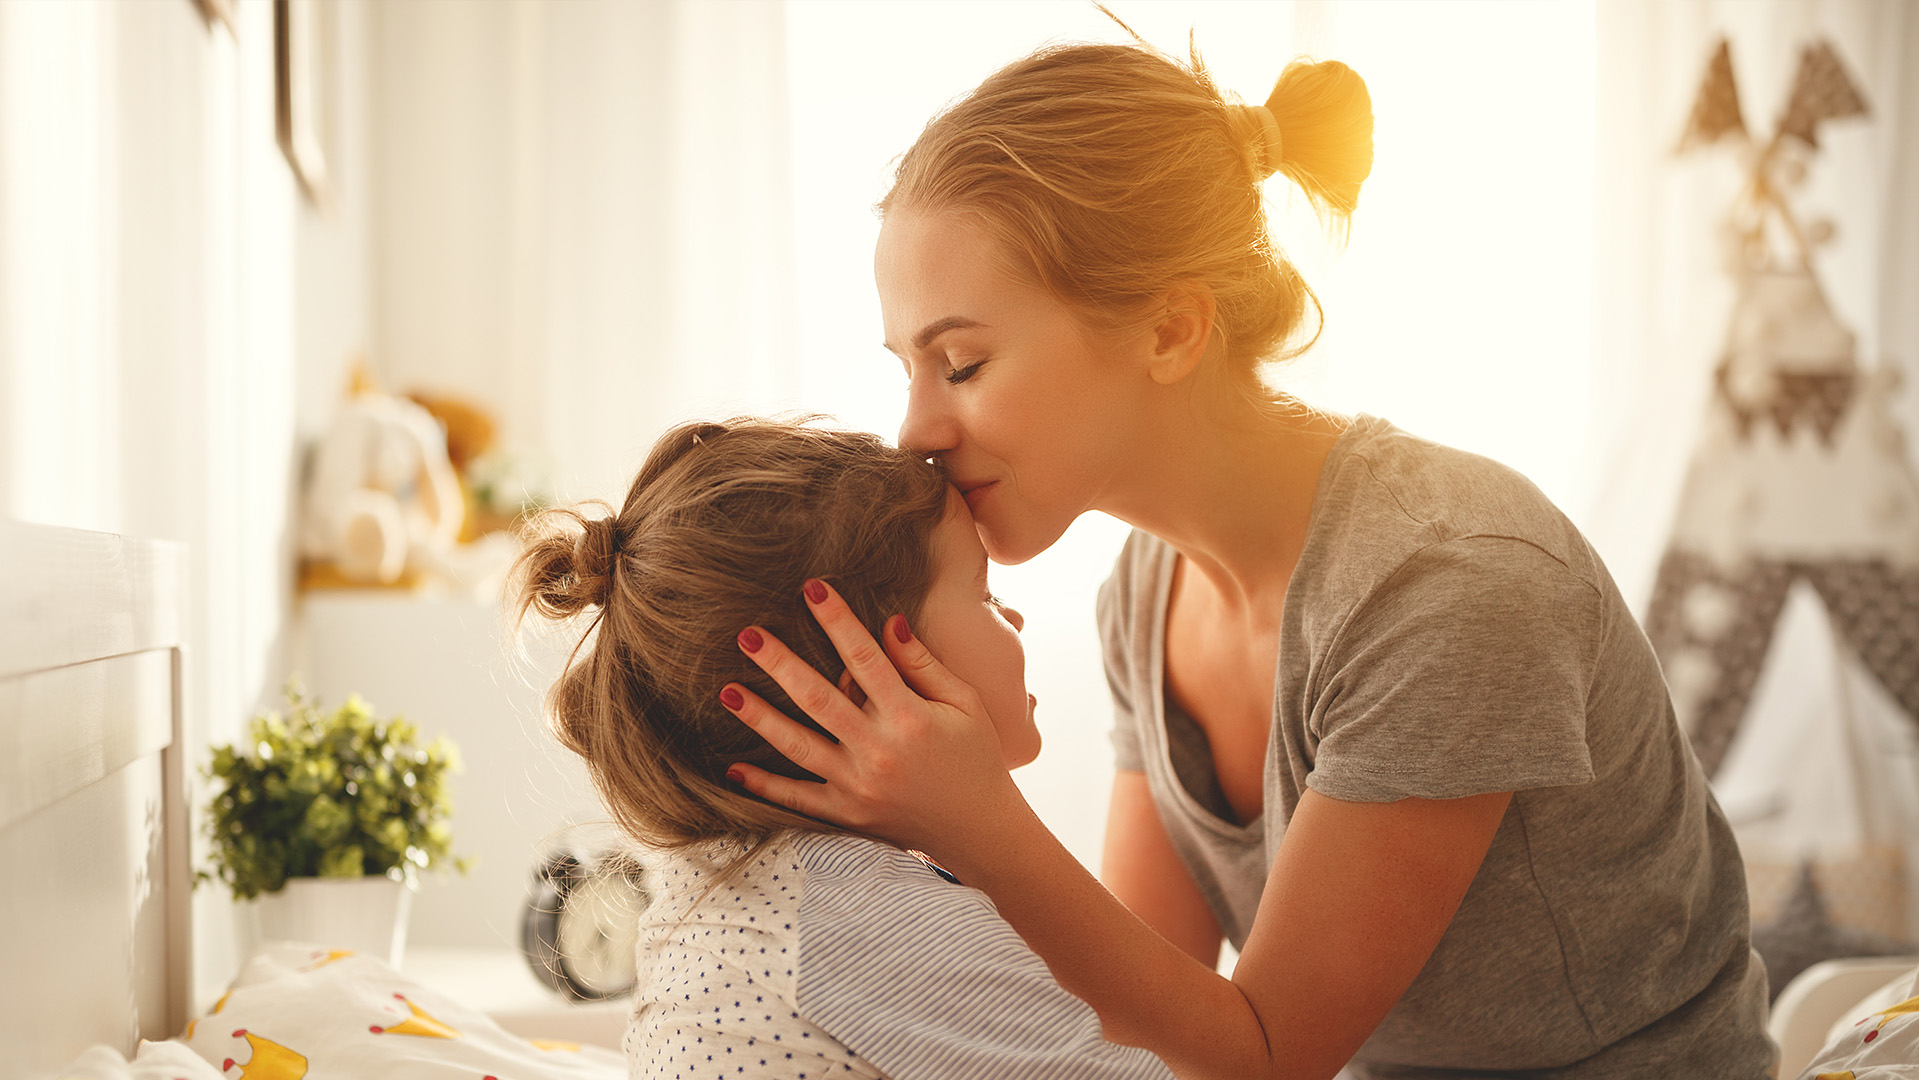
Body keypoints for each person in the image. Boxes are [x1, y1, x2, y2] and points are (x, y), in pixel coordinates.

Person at [717, 34, 1778, 1080]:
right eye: (909, 367)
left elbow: (1264, 1060)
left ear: (1173, 330)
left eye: (961, 362)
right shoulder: (1145, 591)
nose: (914, 432)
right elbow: (1144, 1015)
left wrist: (982, 825)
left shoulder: (1449, 584)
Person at [511, 417, 1174, 1080]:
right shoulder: (866, 920)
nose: (1016, 617)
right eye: (984, 591)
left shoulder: (723, 892)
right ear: (872, 688)